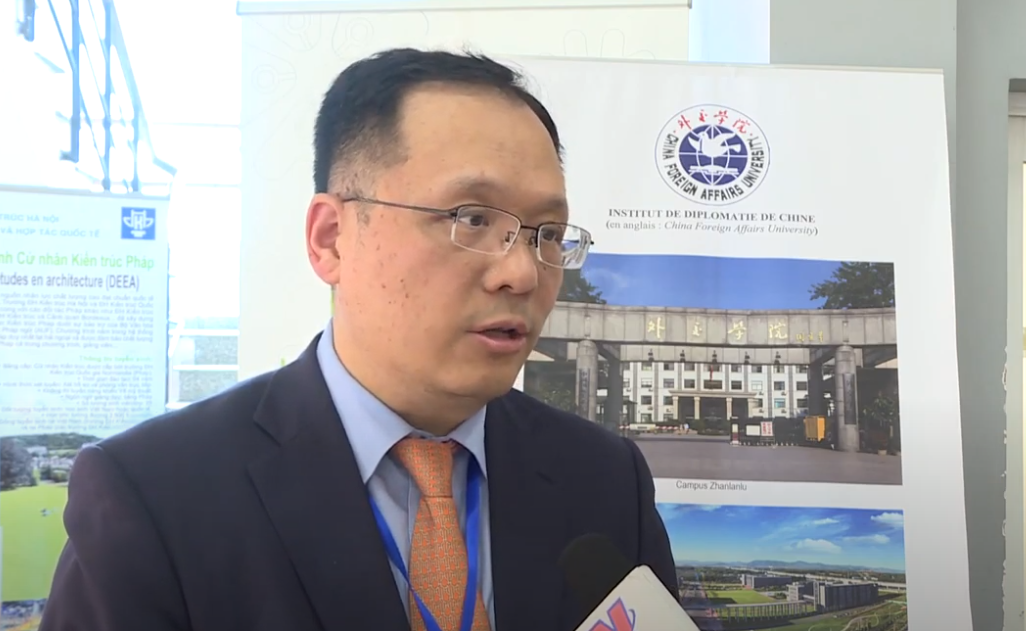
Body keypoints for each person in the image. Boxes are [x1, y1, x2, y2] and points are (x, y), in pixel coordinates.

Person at [40, 48, 677, 631]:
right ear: (331, 238)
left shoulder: (603, 480)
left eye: (547, 233)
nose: (521, 272)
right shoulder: (156, 493)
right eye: (472, 218)